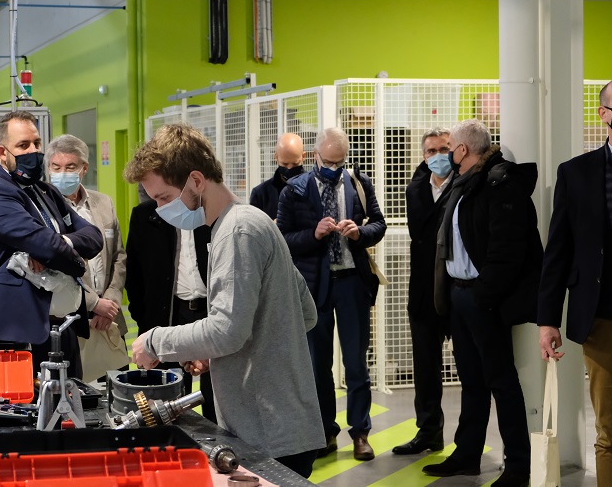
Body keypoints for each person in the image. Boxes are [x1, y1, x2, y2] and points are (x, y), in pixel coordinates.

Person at [126, 123, 323, 478]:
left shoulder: (237, 232)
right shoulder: (251, 222)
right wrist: (214, 350)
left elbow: (227, 330)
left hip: (269, 431)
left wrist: (154, 340)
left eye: (164, 198)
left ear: (197, 181)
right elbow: (304, 313)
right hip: (280, 424)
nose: (159, 210)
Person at [423, 119, 540, 487]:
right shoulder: (464, 183)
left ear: (463, 149)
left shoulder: (497, 183)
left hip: (481, 297)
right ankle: (467, 455)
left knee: (501, 381)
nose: (444, 153)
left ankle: (519, 465)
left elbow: (507, 250)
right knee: (472, 381)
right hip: (461, 296)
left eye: (449, 147)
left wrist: (484, 296)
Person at [539, 77, 612, 486]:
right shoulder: (577, 174)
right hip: (604, 326)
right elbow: (558, 252)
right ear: (603, 113)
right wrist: (547, 319)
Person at [276, 126, 386, 461]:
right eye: (328, 162)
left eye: (340, 162)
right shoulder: (294, 190)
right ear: (315, 157)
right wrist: (314, 233)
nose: (334, 168)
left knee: (356, 364)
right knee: (317, 365)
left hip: (352, 282)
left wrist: (359, 232)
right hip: (314, 288)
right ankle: (325, 431)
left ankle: (361, 433)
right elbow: (282, 239)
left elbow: (379, 224)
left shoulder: (359, 184)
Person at [0, 111, 103, 376]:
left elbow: (92, 235)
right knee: (26, 413)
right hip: (20, 332)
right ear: (1, 153)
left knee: (69, 407)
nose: (34, 151)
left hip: (62, 327)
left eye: (37, 143)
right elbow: (46, 245)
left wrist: (62, 242)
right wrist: (63, 253)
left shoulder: (45, 191)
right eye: (23, 145)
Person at [44, 134, 128, 382]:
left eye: (70, 167)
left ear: (84, 169)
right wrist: (93, 303)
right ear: (48, 169)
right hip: (69, 320)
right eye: (56, 167)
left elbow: (119, 257)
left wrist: (110, 302)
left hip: (108, 319)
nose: (63, 173)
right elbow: (51, 269)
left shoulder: (103, 203)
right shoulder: (41, 209)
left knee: (115, 393)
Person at [125, 198, 217, 423]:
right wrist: (145, 321)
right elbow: (134, 275)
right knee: (169, 398)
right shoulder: (146, 215)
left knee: (217, 390)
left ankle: (222, 448)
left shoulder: (211, 210)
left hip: (211, 311)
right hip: (170, 314)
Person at [394, 127, 453, 455]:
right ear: (423, 155)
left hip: (459, 289)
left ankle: (469, 444)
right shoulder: (415, 188)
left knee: (473, 371)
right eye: (431, 151)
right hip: (423, 291)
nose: (438, 156)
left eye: (444, 148)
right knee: (426, 369)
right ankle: (428, 431)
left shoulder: (464, 184)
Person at [249, 133, 305, 219]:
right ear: (276, 157)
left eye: (295, 164)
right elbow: (253, 229)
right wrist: (272, 226)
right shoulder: (261, 194)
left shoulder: (315, 188)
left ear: (303, 156)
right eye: (285, 164)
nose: (289, 168)